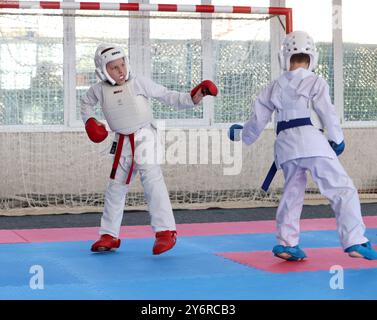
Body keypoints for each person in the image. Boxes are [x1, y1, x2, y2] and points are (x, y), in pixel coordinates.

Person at [229, 31, 377, 261]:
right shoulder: (315, 81)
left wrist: (241, 134)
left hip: (286, 148)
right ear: (312, 57)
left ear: (284, 57)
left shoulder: (272, 87)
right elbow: (327, 112)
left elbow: (257, 121)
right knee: (342, 190)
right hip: (312, 143)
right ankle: (355, 240)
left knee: (292, 194)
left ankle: (287, 243)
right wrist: (337, 138)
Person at [81, 44, 218, 255]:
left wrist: (194, 96)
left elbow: (168, 96)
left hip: (145, 136)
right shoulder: (98, 89)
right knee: (115, 187)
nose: (120, 70)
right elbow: (85, 103)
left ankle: (165, 232)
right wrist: (90, 120)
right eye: (114, 67)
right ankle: (108, 234)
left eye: (122, 64)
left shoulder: (139, 83)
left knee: (151, 179)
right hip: (122, 141)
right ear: (102, 70)